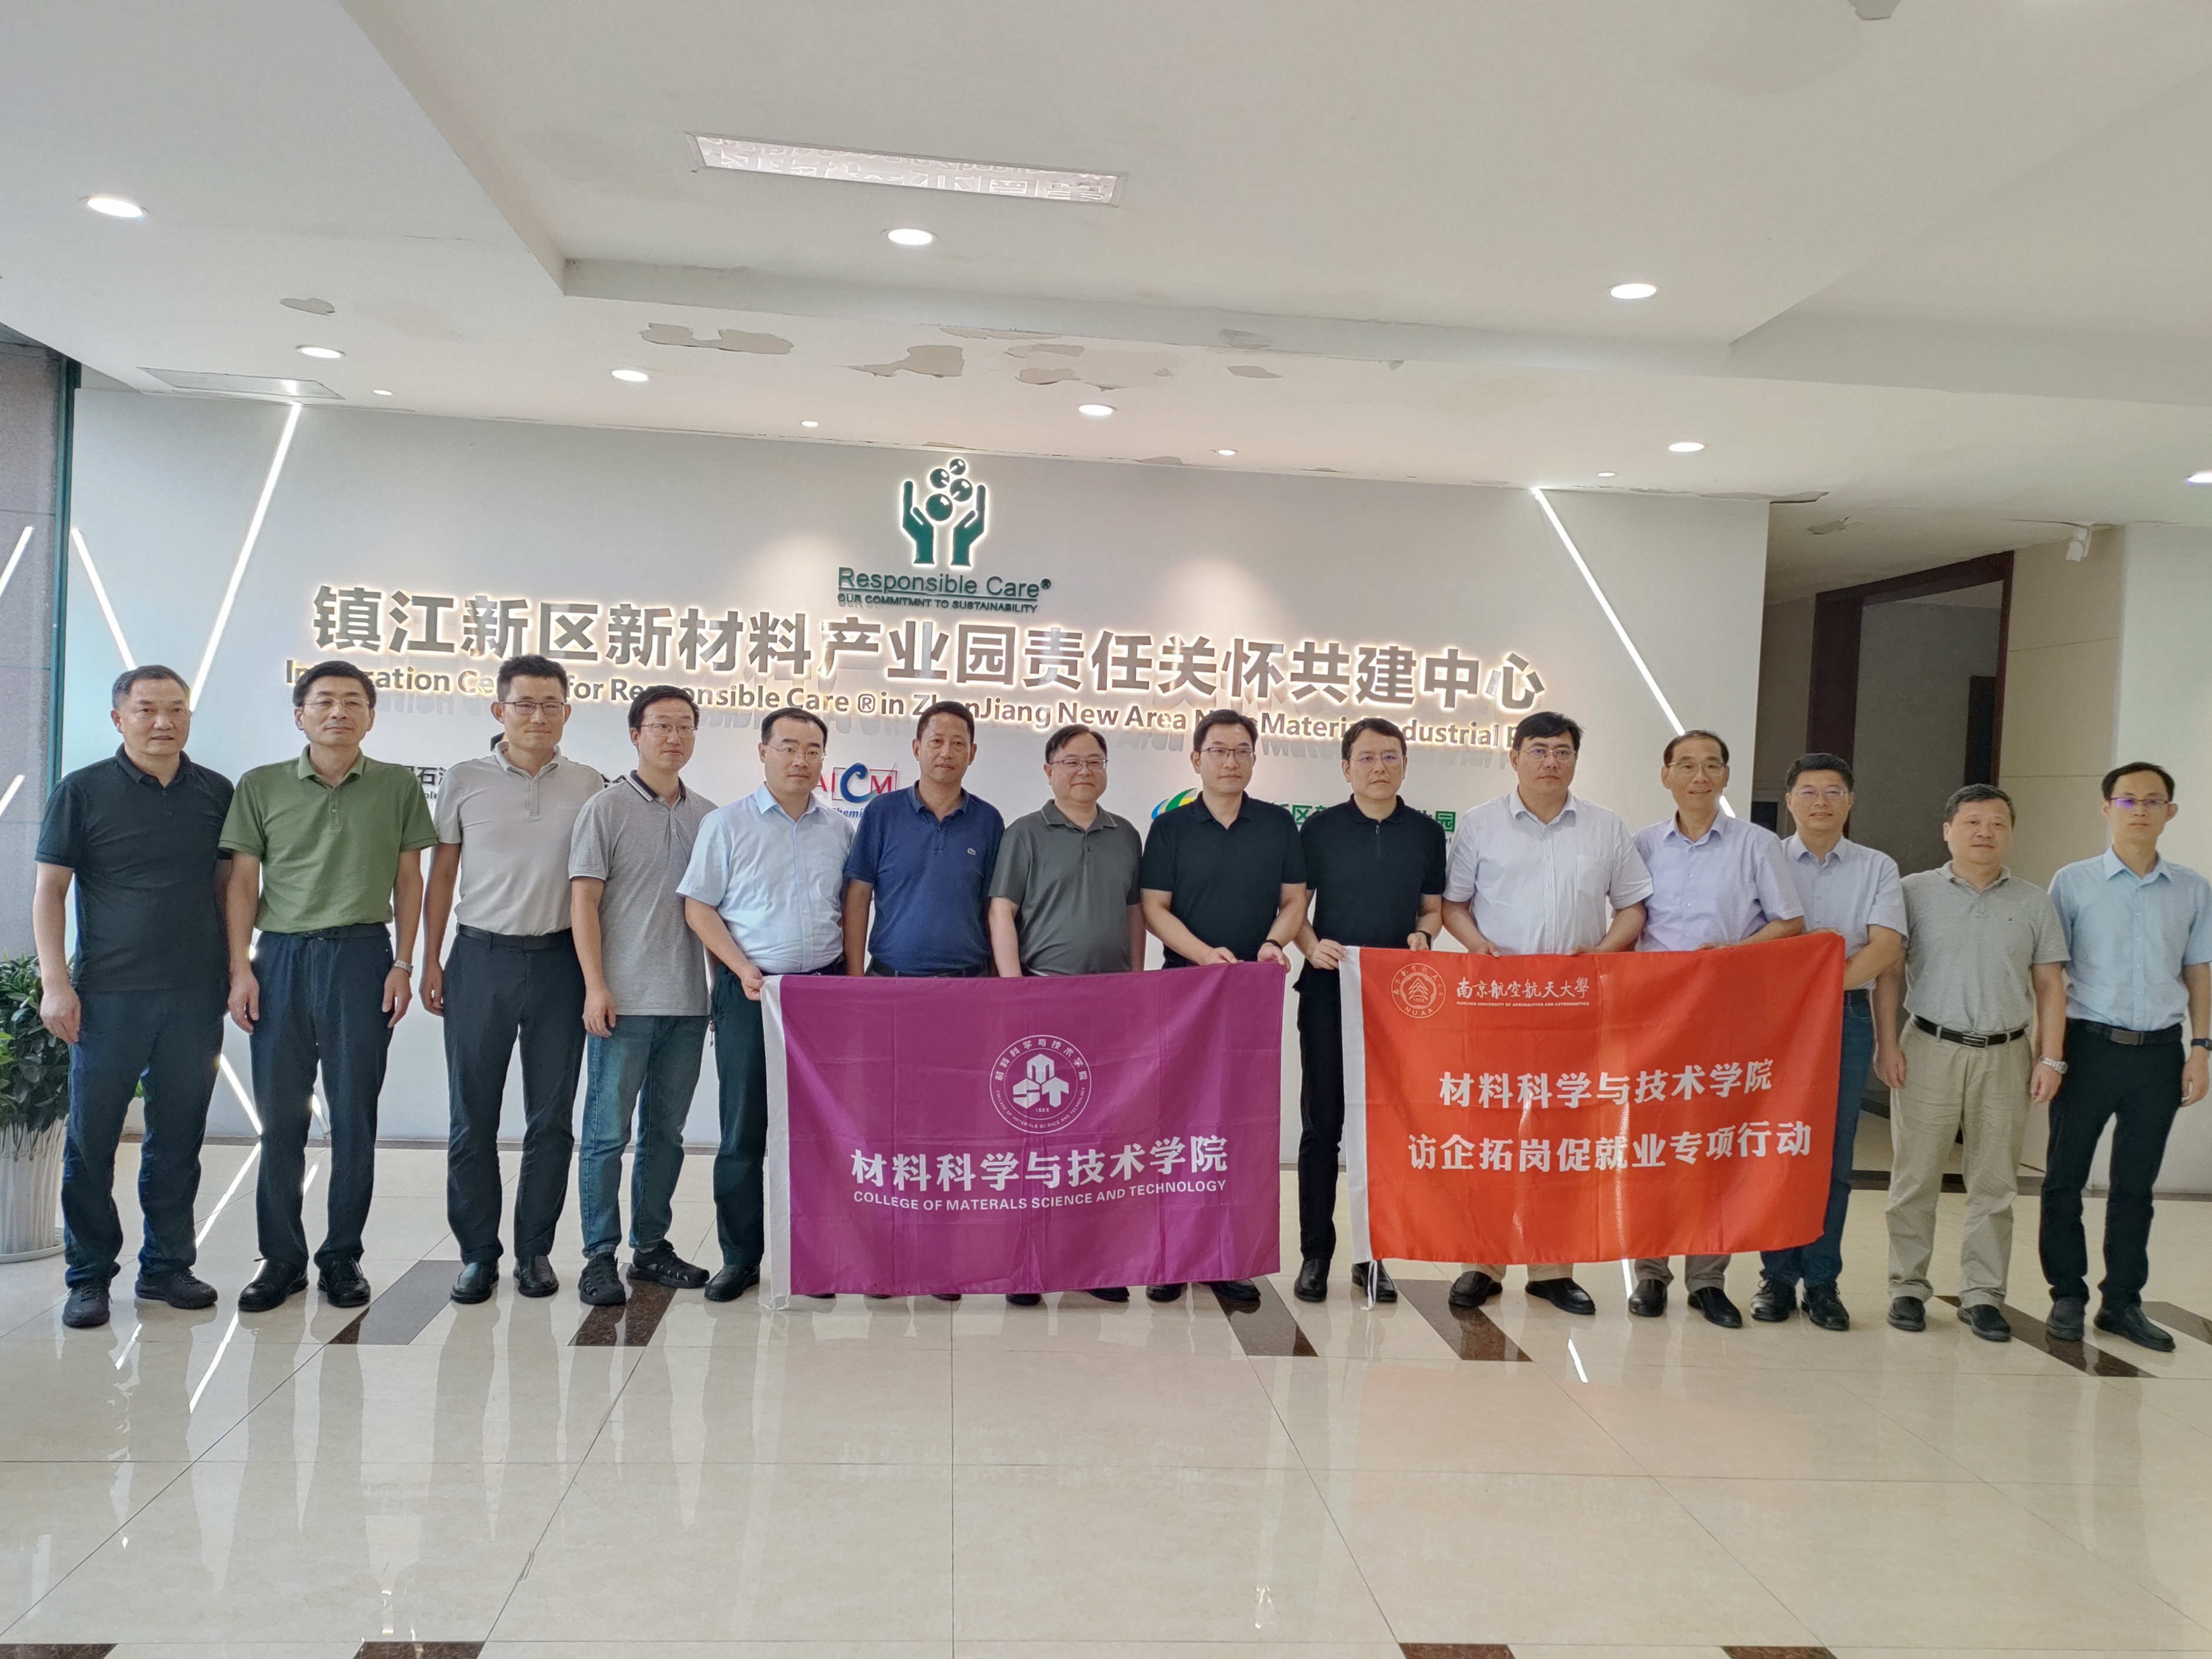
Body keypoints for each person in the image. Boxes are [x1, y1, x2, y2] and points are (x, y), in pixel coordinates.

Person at [221, 660, 437, 1312]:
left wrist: (404, 963)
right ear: (300, 715)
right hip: (281, 960)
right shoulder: (261, 785)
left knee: (354, 1117)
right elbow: (242, 883)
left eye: (352, 701)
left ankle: (342, 1256)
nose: (338, 711)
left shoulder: (398, 785)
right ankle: (281, 1259)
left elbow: (409, 880)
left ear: (370, 715)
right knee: (281, 1120)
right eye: (323, 701)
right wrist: (240, 969)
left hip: (363, 957)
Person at [34, 667, 233, 1330]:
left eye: (176, 709)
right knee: (92, 1141)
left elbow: (228, 890)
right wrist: (55, 982)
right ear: (119, 717)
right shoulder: (82, 790)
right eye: (146, 709)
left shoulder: (216, 793)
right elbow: (50, 891)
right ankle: (89, 1275)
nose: (163, 721)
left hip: (194, 993)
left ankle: (167, 1266)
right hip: (108, 996)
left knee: (178, 1137)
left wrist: (236, 972)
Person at [1439, 710, 1650, 1316]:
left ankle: (1553, 1269)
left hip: (1575, 1006)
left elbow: (1634, 907)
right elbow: (1453, 905)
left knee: (1564, 1138)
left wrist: (1602, 954)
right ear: (1514, 757)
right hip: (1497, 1004)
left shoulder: (1606, 827)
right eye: (1538, 750)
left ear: (1576, 759)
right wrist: (1479, 947)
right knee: (1492, 1135)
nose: (1550, 762)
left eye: (1562, 751)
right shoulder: (1481, 824)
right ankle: (1482, 1262)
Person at [420, 654, 605, 1306]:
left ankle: (534, 1251)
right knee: (471, 1115)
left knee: (551, 1118)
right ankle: (477, 1254)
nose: (537, 716)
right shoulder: (464, 779)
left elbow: (596, 887)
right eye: (524, 704)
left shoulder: (590, 784)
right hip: (480, 958)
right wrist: (430, 959)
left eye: (550, 704)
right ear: (499, 710)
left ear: (567, 712)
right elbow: (443, 873)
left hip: (559, 963)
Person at [1875, 783, 2068, 1342]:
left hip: (2006, 1053)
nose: (1985, 832)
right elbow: (1889, 972)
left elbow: (2050, 984)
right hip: (1928, 1046)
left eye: (1997, 823)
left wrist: (2051, 1058)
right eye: (1973, 822)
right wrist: (1887, 1045)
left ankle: (1983, 1294)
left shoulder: (2033, 901)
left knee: (1995, 1181)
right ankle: (1907, 1287)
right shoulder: (1912, 892)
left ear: (2010, 833)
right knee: (1915, 1175)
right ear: (1948, 831)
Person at [1628, 730, 1804, 1327]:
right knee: (1654, 1148)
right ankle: (1650, 1275)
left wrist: (1732, 953)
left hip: (1726, 1017)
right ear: (1666, 775)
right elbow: (1629, 921)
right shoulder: (1643, 845)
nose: (1698, 777)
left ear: (1726, 776)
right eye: (1686, 765)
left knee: (1714, 1148)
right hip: (1655, 1018)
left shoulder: (1757, 844)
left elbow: (1789, 922)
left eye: (1710, 766)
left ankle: (1707, 1281)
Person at [2038, 762, 2212, 1352]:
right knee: (2064, 1178)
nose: (2140, 809)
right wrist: (2050, 1055)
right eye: (2128, 799)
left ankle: (2122, 1303)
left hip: (2159, 1053)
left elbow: (2198, 970)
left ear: (2171, 812)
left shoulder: (2192, 888)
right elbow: (2051, 976)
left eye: (2152, 800)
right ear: (2107, 807)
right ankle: (2067, 1294)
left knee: (2136, 1186)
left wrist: (2200, 1049)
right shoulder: (2073, 882)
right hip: (2088, 1046)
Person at [681, 706, 853, 1303]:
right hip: (752, 991)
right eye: (788, 747)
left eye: (812, 750)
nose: (801, 759)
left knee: (819, 1133)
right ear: (763, 752)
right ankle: (740, 1258)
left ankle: (816, 1259)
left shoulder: (840, 830)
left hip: (823, 994)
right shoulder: (726, 825)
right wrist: (740, 967)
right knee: (743, 1130)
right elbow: (698, 907)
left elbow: (848, 909)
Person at [1138, 708, 1306, 1306]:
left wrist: (1274, 942)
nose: (1230, 761)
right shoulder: (1171, 828)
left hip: (1250, 994)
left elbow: (1294, 900)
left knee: (1235, 1126)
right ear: (1196, 759)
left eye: (1241, 751)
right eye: (1218, 750)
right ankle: (1171, 1255)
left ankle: (1225, 1256)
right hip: (1184, 989)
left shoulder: (1277, 824)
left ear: (1254, 759)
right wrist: (1204, 956)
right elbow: (1154, 907)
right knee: (1176, 1124)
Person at [988, 723, 1146, 1307]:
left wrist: (1135, 984)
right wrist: (1014, 992)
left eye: (1095, 761)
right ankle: (1026, 1265)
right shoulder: (1025, 833)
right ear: (1049, 770)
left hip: (1109, 1006)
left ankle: (1091, 1263)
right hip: (1043, 998)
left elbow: (1134, 914)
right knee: (1034, 1140)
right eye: (1072, 761)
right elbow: (1001, 911)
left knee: (1099, 1138)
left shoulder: (1125, 834)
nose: (1084, 771)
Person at [569, 684, 717, 1307]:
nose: (674, 737)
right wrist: (595, 985)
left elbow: (715, 913)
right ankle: (598, 1256)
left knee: (666, 1135)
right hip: (622, 1002)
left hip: (688, 1004)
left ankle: (651, 1247)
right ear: (636, 734)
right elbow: (583, 900)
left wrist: (719, 991)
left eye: (685, 726)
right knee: (606, 1134)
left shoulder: (709, 816)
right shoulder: (605, 807)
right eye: (661, 725)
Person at [1292, 717, 1448, 1306]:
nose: (1379, 767)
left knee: (1384, 1127)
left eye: (1390, 757)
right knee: (1322, 1127)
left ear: (1405, 764)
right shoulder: (1319, 829)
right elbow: (1295, 907)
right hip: (1329, 993)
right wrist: (1310, 946)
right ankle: (1316, 1255)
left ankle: (1373, 1255)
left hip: (1397, 1001)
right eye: (1366, 758)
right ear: (1345, 767)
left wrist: (1424, 937)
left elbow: (1431, 910)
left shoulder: (1427, 833)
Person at [1753, 752, 1905, 1332]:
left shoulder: (1877, 866)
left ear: (1850, 801)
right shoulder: (1763, 857)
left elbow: (1884, 946)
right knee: (1776, 1147)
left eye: (1833, 791)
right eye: (1809, 791)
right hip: (1775, 1019)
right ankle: (1775, 1277)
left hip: (1844, 1016)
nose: (1821, 802)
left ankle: (1821, 1281)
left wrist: (1818, 985)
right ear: (1790, 800)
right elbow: (1754, 938)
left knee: (1833, 1156)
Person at [843, 701, 1002, 979]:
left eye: (958, 744)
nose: (946, 753)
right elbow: (858, 896)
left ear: (972, 753)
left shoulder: (988, 821)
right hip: (889, 980)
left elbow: (995, 909)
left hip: (969, 982)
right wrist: (855, 977)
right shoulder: (882, 812)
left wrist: (999, 980)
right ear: (917, 748)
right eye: (936, 741)